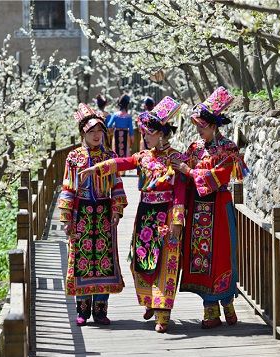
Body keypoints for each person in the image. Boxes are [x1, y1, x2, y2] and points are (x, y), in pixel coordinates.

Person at [80, 96, 185, 333]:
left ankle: (163, 313)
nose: (144, 137)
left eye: (147, 133)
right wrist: (97, 168)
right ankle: (149, 301)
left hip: (166, 215)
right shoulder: (144, 157)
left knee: (166, 262)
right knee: (140, 261)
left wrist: (178, 219)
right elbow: (122, 162)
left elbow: (179, 190)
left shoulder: (176, 158)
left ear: (160, 134)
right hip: (145, 214)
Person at [171, 87, 249, 329]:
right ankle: (211, 309)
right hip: (198, 210)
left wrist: (190, 171)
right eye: (197, 126)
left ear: (214, 126)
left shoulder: (228, 149)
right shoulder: (195, 148)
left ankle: (227, 303)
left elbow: (221, 176)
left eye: (202, 126)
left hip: (219, 208)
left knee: (221, 256)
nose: (198, 131)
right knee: (201, 257)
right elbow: (183, 171)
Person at [58, 103, 128, 326]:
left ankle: (100, 310)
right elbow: (68, 186)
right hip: (82, 214)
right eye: (92, 132)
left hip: (104, 213)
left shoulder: (110, 156)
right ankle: (83, 309)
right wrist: (67, 217)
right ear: (83, 133)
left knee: (104, 260)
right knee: (82, 260)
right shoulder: (74, 157)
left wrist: (117, 209)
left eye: (100, 131)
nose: (97, 135)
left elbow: (116, 183)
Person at [107, 94, 135, 159]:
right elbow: (131, 129)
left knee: (116, 150)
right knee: (125, 151)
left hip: (117, 133)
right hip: (125, 134)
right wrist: (132, 139)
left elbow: (109, 125)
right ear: (127, 104)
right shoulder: (128, 116)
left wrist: (113, 127)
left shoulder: (115, 115)